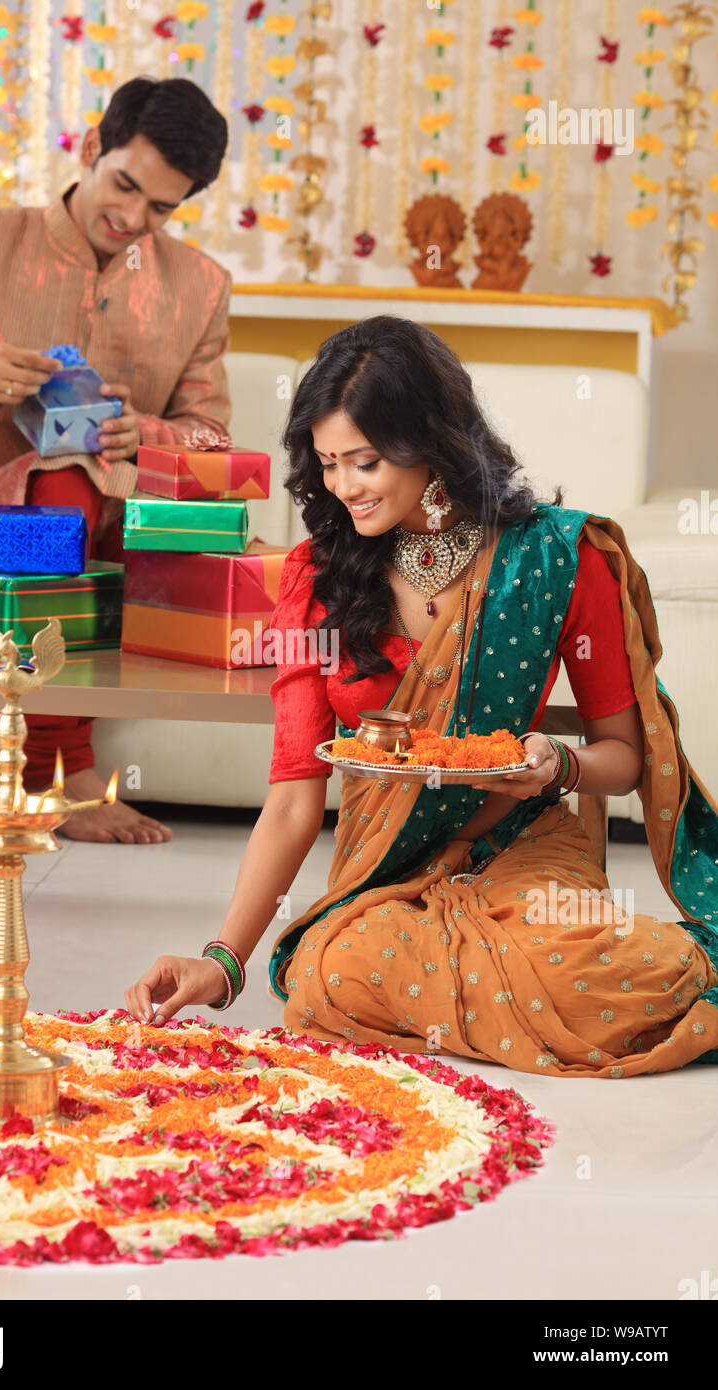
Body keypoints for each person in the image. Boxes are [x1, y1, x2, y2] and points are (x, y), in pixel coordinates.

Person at [124, 315, 718, 1079]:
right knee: (329, 976)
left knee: (594, 968)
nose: (343, 488)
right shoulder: (315, 581)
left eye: (365, 462)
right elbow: (294, 799)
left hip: (524, 848)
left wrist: (555, 764)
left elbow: (624, 757)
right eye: (328, 463)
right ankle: (505, 1001)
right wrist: (225, 961)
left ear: (432, 440)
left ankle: (519, 986)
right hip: (385, 876)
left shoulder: (554, 558)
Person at [0, 76, 231, 845]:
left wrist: (148, 435)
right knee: (64, 485)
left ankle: (2, 747)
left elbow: (212, 440)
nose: (133, 219)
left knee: (178, 538)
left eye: (161, 208)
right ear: (90, 147)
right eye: (124, 185)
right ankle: (62, 766)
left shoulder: (200, 285)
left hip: (120, 524)